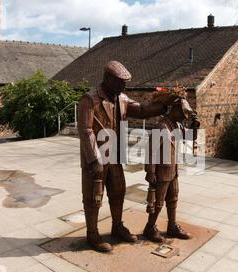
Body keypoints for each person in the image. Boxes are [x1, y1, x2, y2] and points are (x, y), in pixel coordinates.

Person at [78, 61, 179, 253]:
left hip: (115, 157)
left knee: (118, 193)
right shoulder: (89, 100)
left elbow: (141, 110)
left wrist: (163, 105)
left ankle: (117, 226)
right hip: (96, 160)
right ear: (108, 79)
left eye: (125, 83)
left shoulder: (122, 99)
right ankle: (92, 234)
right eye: (120, 82)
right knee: (93, 198)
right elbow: (86, 131)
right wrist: (94, 158)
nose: (124, 87)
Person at [143, 98, 199, 243]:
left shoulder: (177, 126)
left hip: (173, 170)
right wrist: (150, 171)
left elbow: (190, 137)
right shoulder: (161, 127)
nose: (183, 117)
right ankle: (150, 228)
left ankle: (172, 226)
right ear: (174, 109)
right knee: (158, 202)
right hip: (161, 172)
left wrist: (194, 127)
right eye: (182, 114)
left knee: (173, 199)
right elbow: (151, 151)